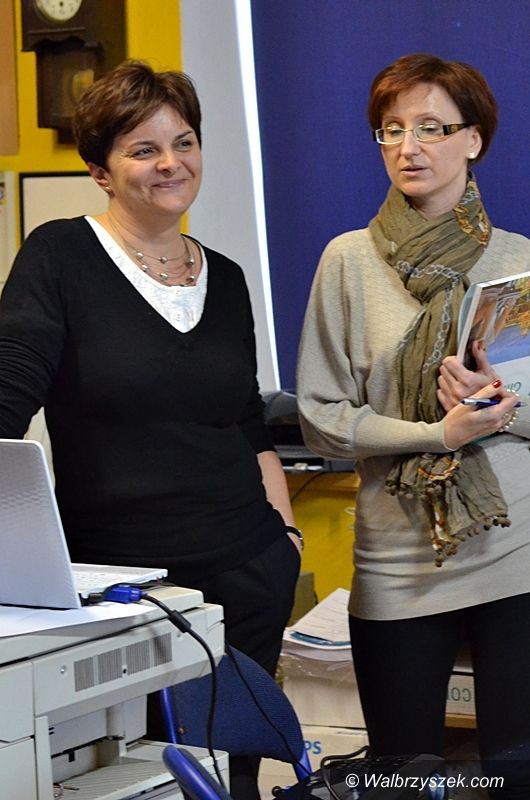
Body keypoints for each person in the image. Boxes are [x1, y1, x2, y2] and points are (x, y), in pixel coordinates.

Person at [0, 60, 301, 799]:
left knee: (230, 781)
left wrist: (285, 539)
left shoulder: (226, 277)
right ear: (100, 170)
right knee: (141, 783)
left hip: (247, 576)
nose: (172, 163)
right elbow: (7, 403)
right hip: (122, 598)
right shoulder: (59, 256)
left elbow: (246, 422)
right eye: (144, 149)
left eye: (184, 142)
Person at [297, 53, 530, 797]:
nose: (408, 147)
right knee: (401, 778)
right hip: (398, 561)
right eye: (392, 130)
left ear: (474, 140)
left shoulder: (519, 261)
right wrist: (437, 434)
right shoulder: (347, 261)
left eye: (432, 128)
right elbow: (321, 419)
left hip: (516, 551)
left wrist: (497, 402)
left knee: (517, 775)